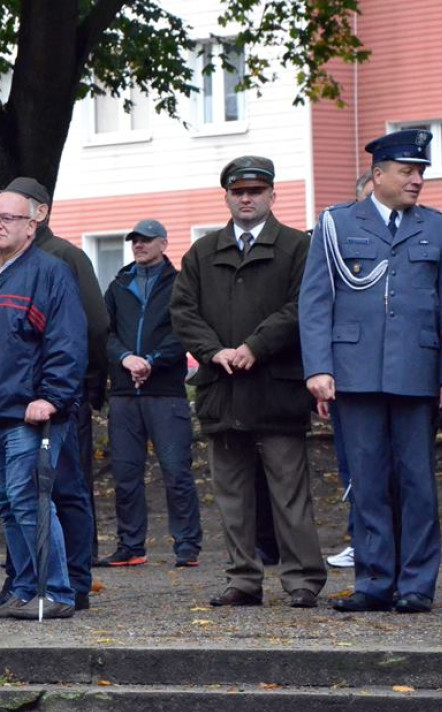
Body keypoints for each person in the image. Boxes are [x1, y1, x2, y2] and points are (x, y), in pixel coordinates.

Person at [300, 129, 442, 613]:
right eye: (407, 171)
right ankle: (374, 581)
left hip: (417, 371)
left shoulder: (438, 228)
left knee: (417, 483)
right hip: (355, 371)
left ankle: (416, 585)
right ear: (378, 175)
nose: (417, 180)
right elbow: (316, 300)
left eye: (421, 172)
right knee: (366, 482)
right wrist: (318, 367)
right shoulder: (337, 223)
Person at [171, 155, 326, 609]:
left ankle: (302, 579)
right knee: (232, 494)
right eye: (238, 192)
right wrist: (212, 350)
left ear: (272, 195)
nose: (246, 199)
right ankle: (242, 578)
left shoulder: (297, 246)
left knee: (289, 492)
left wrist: (257, 345)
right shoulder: (202, 252)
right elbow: (182, 311)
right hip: (223, 389)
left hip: (277, 388)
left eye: (255, 191)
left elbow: (303, 306)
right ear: (226, 197)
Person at [0, 187, 87, 620]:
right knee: (8, 505)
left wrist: (51, 397)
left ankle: (56, 593)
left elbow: (67, 341)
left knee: (29, 500)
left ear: (32, 226)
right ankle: (25, 588)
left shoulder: (50, 273)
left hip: (29, 415)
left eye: (8, 218)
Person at [103, 220, 202, 567]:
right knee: (125, 474)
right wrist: (125, 358)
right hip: (124, 394)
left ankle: (187, 546)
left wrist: (152, 360)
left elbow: (185, 330)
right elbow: (104, 332)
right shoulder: (118, 285)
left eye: (146, 240)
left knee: (176, 471)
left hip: (166, 392)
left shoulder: (180, 284)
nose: (139, 245)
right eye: (135, 240)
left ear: (163, 243)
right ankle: (131, 546)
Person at [324, 169, 377, 572]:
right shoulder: (335, 241)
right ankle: (361, 539)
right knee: (354, 467)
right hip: (349, 375)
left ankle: (383, 544)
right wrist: (321, 372)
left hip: (396, 375)